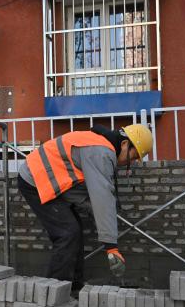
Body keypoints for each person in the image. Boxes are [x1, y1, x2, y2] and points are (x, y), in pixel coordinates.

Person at [17, 124, 153, 290]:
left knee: (75, 232)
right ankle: (54, 291)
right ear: (125, 144)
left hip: (52, 181)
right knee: (67, 233)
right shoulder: (101, 152)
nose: (128, 162)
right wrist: (111, 246)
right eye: (132, 157)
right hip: (35, 180)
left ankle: (74, 286)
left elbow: (92, 194)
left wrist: (97, 212)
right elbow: (102, 196)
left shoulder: (101, 146)